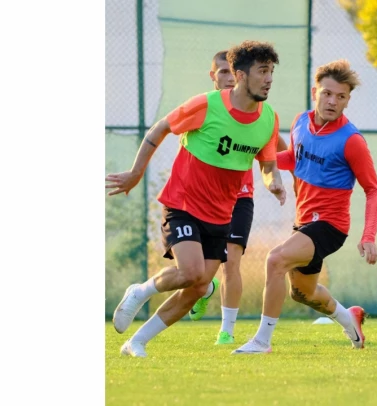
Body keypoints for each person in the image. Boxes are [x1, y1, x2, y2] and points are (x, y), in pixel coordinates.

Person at [105, 40, 286, 358]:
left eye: (271, 71)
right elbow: (160, 128)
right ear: (240, 75)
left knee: (200, 286)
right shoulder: (206, 105)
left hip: (221, 215)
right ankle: (140, 291)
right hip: (183, 204)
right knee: (190, 272)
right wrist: (136, 173)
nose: (269, 79)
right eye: (262, 71)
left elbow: (268, 164)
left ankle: (136, 342)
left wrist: (274, 183)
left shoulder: (268, 118)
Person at [232, 59, 377, 354]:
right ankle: (349, 318)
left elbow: (373, 190)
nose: (333, 101)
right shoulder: (301, 122)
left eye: (341, 96)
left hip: (330, 226)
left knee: (275, 260)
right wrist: (252, 155)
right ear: (315, 92)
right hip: (304, 222)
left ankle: (262, 341)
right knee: (303, 293)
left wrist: (369, 236)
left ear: (347, 101)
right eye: (327, 93)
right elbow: (293, 159)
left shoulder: (352, 141)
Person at [188, 51, 290, 347]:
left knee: (230, 262)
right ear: (213, 76)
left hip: (238, 199)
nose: (228, 78)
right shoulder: (206, 108)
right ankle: (205, 288)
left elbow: (278, 153)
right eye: (222, 72)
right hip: (198, 199)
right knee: (194, 269)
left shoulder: (258, 115)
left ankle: (226, 331)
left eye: (231, 73)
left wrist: (281, 178)